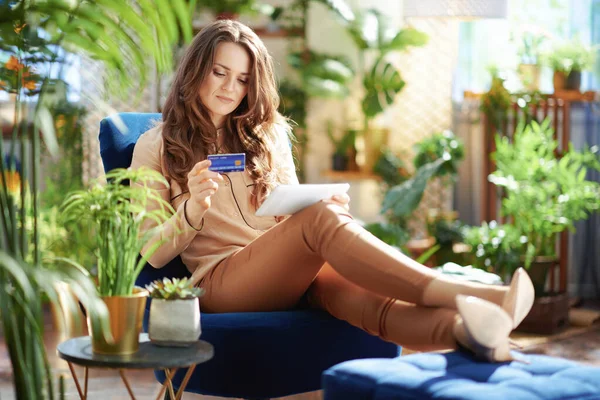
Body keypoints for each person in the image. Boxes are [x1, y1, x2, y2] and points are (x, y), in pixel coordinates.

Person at [130, 19, 534, 362]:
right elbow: (150, 249)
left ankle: (476, 334)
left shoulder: (266, 136)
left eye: (243, 79)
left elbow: (288, 215)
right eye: (220, 73)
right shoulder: (156, 146)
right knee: (321, 220)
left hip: (285, 272)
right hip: (221, 283)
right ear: (195, 70)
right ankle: (469, 293)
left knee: (369, 302)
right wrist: (191, 213)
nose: (230, 89)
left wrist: (315, 208)